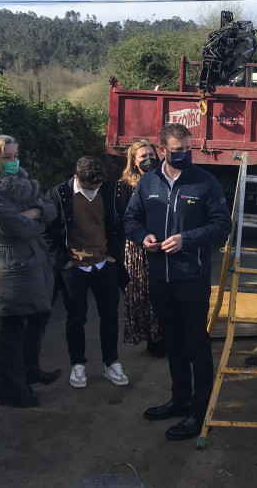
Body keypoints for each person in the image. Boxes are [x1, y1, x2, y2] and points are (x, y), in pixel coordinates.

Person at [123, 123, 231, 441]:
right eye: (177, 150)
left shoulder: (205, 183)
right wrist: (144, 237)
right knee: (172, 342)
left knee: (196, 344)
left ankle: (199, 411)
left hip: (192, 278)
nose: (184, 154)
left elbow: (222, 225)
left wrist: (187, 239)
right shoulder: (148, 183)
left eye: (188, 148)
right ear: (163, 149)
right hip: (160, 277)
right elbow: (131, 219)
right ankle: (180, 399)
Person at [0, 135, 61, 407]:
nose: (14, 161)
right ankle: (10, 390)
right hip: (11, 269)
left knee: (38, 320)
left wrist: (35, 214)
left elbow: (51, 210)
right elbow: (13, 227)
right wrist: (37, 216)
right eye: (7, 157)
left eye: (15, 156)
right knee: (12, 331)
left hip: (36, 262)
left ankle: (31, 370)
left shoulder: (26, 184)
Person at [46, 156, 129, 389]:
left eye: (97, 187)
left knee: (110, 315)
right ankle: (78, 365)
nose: (94, 191)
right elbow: (48, 231)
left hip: (104, 264)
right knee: (75, 317)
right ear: (76, 178)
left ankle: (111, 363)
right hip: (74, 268)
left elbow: (122, 222)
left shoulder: (112, 191)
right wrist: (63, 261)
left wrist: (113, 255)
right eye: (88, 188)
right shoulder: (58, 194)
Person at [117, 140, 165, 357]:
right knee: (139, 293)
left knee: (161, 292)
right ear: (134, 161)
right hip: (137, 247)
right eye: (143, 157)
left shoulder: (164, 180)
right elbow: (125, 219)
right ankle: (150, 339)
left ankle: (161, 338)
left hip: (161, 243)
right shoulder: (125, 186)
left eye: (151, 155)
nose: (148, 160)